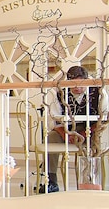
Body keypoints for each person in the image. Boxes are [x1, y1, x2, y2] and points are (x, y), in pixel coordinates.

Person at [40, 65, 102, 193]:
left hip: (90, 129)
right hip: (66, 128)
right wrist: (66, 133)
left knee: (98, 139)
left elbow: (103, 119)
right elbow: (54, 119)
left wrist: (85, 133)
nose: (77, 87)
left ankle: (90, 180)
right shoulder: (60, 94)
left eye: (81, 84)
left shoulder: (98, 93)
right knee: (51, 137)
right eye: (73, 84)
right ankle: (51, 181)